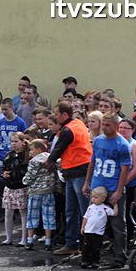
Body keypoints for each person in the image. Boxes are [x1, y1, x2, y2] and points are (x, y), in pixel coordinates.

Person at [82, 113, 131, 266]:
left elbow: (124, 170)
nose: (105, 127)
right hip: (97, 186)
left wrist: (119, 191)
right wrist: (87, 182)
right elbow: (93, 162)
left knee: (117, 224)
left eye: (108, 125)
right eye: (103, 124)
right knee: (93, 222)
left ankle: (120, 256)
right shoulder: (98, 140)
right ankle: (91, 255)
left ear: (116, 125)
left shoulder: (122, 145)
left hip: (112, 187)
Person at [48, 101, 94, 256]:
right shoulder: (78, 123)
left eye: (56, 114)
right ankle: (76, 244)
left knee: (79, 211)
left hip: (77, 172)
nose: (55, 117)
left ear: (64, 115)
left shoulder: (67, 130)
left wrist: (48, 162)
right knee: (75, 210)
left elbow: (58, 149)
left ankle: (83, 245)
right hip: (76, 172)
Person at [22, 139, 56, 250]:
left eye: (31, 150)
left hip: (35, 192)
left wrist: (24, 181)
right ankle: (48, 241)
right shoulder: (51, 158)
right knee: (49, 216)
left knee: (32, 215)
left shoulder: (34, 161)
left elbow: (30, 177)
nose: (30, 152)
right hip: (48, 191)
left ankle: (30, 240)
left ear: (38, 149)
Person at [0, 132, 30, 246]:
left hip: (22, 187)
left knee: (23, 213)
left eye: (16, 141)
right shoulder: (9, 155)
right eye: (12, 141)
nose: (13, 144)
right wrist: (4, 173)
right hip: (9, 187)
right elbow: (3, 168)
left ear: (23, 142)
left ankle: (24, 239)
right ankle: (8, 238)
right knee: (8, 212)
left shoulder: (27, 156)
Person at [0, 98, 28, 193]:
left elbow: (24, 138)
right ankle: (0, 196)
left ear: (12, 108)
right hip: (1, 155)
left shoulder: (20, 122)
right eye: (2, 109)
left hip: (14, 156)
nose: (4, 112)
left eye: (6, 109)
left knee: (12, 178)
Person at [79, 187, 116, 269]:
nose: (93, 199)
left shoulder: (105, 208)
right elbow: (85, 218)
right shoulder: (90, 207)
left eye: (96, 197)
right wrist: (82, 227)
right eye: (92, 197)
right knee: (86, 247)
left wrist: (115, 204)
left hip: (98, 232)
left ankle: (95, 262)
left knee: (96, 248)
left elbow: (114, 213)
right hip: (88, 231)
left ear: (102, 199)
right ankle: (85, 261)